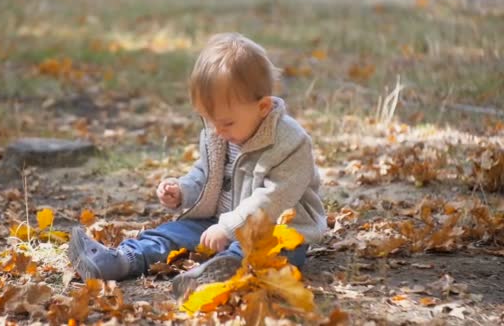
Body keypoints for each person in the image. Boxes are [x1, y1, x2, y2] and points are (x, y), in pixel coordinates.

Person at [68, 32, 327, 297]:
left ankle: (224, 274)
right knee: (172, 234)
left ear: (262, 107)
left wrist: (229, 227)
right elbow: (206, 174)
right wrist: (184, 190)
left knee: (266, 249)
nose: (217, 130)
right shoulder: (221, 131)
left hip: (276, 228)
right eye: (210, 120)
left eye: (226, 123)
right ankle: (120, 260)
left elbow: (274, 199)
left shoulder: (290, 142)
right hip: (216, 222)